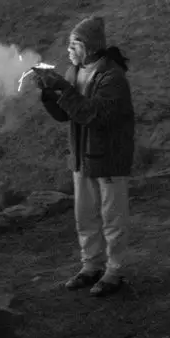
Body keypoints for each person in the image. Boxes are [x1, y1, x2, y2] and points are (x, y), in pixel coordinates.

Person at [33, 15, 136, 297]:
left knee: (113, 219)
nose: (69, 49)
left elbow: (94, 115)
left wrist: (64, 90)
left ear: (89, 47)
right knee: (85, 217)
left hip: (109, 158)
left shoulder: (111, 77)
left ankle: (114, 271)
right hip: (83, 157)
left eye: (74, 43)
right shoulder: (74, 72)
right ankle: (90, 266)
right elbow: (66, 115)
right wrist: (48, 95)